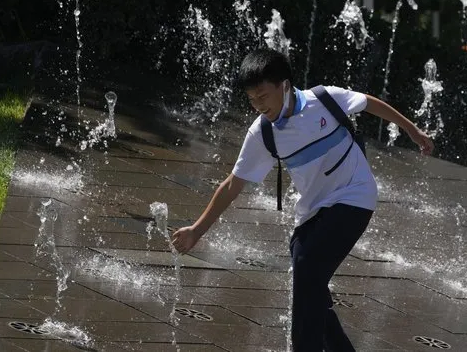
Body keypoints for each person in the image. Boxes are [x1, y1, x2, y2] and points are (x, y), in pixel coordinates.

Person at [171, 48, 434, 351]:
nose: (258, 106)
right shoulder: (262, 133)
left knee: (308, 267)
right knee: (309, 280)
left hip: (356, 195)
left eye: (263, 96)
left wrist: (412, 130)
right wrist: (196, 230)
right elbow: (233, 183)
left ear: (284, 85)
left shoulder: (324, 99)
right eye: (252, 100)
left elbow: (368, 103)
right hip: (312, 211)